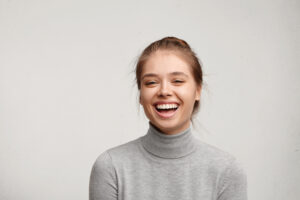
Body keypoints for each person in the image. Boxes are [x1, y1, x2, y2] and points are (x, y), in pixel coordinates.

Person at [89, 36, 247, 200]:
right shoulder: (111, 167)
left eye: (177, 81)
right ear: (141, 96)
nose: (164, 91)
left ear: (198, 90)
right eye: (151, 82)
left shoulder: (227, 171)